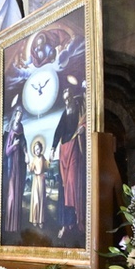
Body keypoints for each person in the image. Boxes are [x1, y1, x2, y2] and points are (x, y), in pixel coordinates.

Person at [50, 87, 86, 238]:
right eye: (65, 99)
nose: (67, 101)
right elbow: (58, 131)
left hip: (75, 148)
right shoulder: (66, 113)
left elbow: (86, 122)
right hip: (63, 150)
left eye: (69, 97)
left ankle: (77, 219)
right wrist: (52, 148)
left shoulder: (80, 109)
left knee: (72, 183)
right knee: (64, 187)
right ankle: (67, 223)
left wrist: (83, 128)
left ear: (73, 97)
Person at [5, 105, 28, 232]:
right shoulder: (9, 130)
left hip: (19, 164)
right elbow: (7, 152)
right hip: (11, 164)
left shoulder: (21, 127)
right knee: (12, 194)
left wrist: (26, 154)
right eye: (18, 114)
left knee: (18, 193)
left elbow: (24, 143)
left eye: (21, 115)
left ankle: (16, 225)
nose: (20, 117)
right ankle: (9, 225)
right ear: (15, 115)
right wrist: (14, 145)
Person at [29, 140, 49, 229]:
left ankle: (40, 220)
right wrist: (28, 164)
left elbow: (46, 167)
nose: (37, 151)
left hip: (41, 179)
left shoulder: (43, 158)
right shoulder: (34, 159)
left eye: (38, 149)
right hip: (35, 180)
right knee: (36, 200)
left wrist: (50, 161)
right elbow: (30, 169)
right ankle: (34, 219)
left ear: (41, 149)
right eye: (36, 149)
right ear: (34, 150)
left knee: (41, 200)